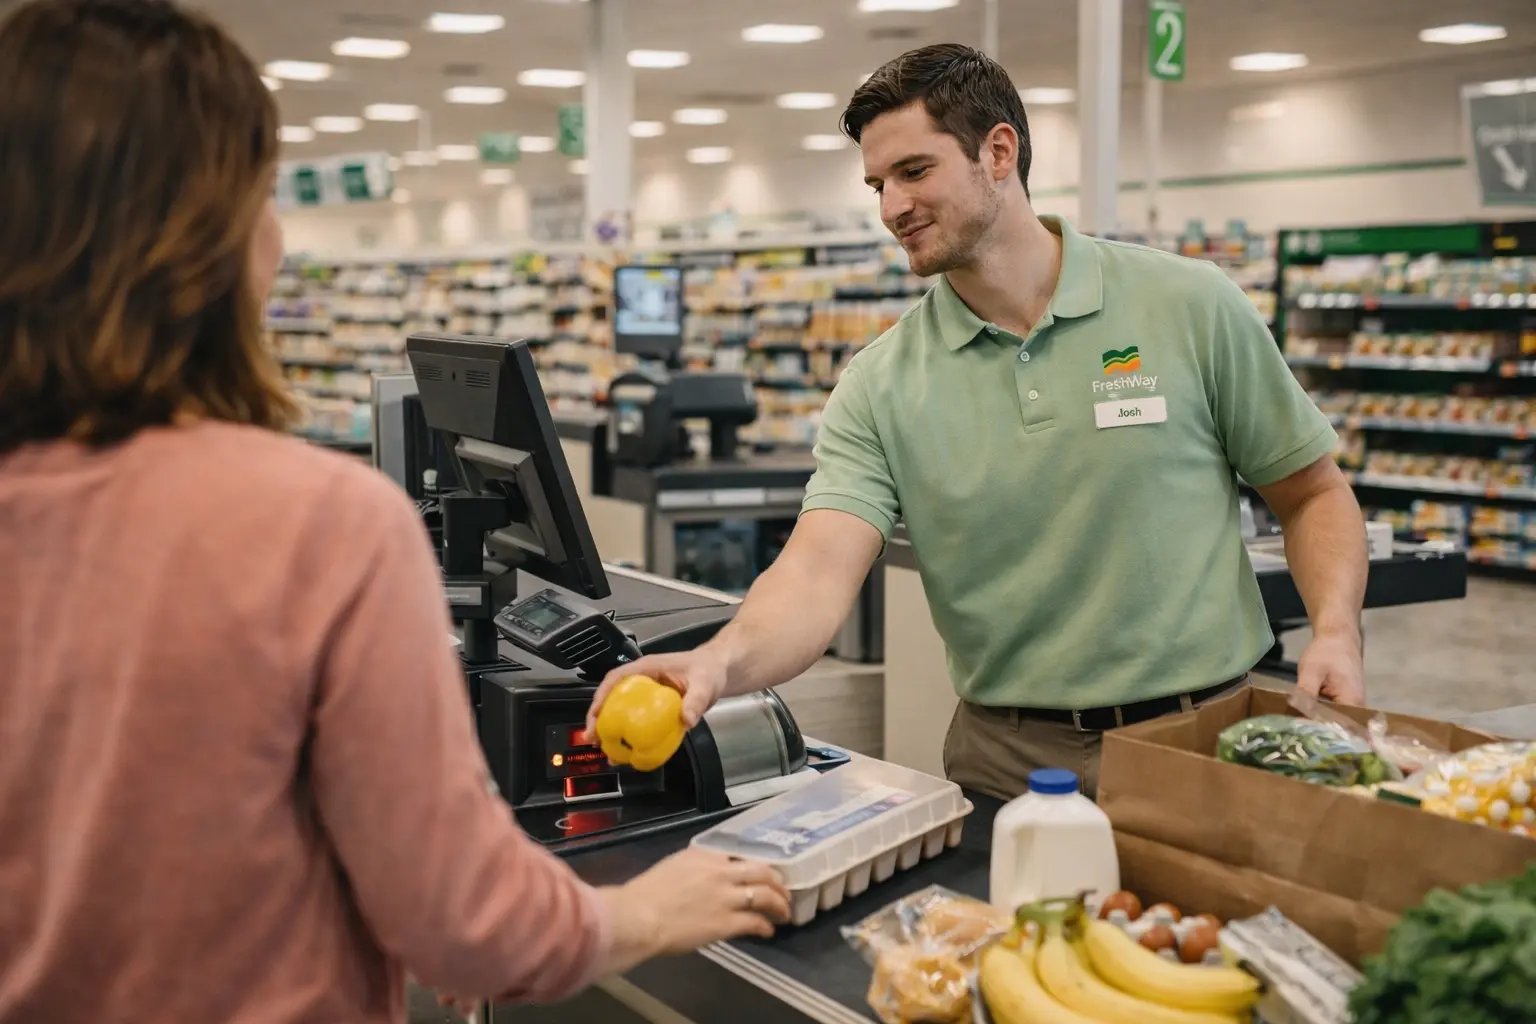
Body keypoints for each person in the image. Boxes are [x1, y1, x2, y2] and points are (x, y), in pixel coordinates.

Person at [0, 2, 788, 1021]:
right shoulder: (314, 525)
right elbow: (461, 918)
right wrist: (647, 911)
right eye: (263, 196)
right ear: (204, 239)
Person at [589, 43, 1368, 801]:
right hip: (1005, 762)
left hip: (1200, 739)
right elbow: (814, 573)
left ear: (999, 153)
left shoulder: (1190, 305)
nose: (893, 206)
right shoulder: (881, 382)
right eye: (877, 184)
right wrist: (716, 664)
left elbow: (1310, 493)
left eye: (914, 170)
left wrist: (1335, 631)